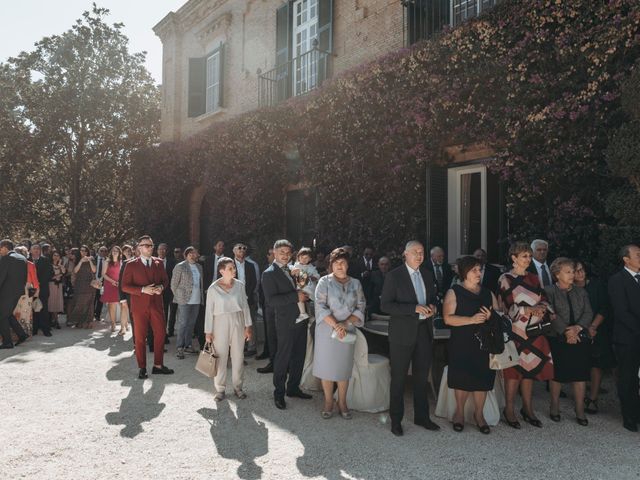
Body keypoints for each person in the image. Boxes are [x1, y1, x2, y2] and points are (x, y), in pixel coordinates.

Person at [381, 240, 440, 436]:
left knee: (421, 377)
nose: (419, 255)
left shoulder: (427, 274)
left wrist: (433, 307)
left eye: (422, 252)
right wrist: (413, 308)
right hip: (401, 334)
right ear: (405, 254)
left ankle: (422, 417)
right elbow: (386, 306)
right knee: (398, 378)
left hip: (424, 331)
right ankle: (396, 420)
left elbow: (433, 299)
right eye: (415, 252)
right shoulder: (394, 276)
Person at [498, 241, 554, 429]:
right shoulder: (505, 278)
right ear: (514, 258)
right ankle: (509, 410)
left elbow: (544, 299)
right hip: (515, 331)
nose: (528, 259)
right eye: (524, 256)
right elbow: (506, 307)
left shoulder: (534, 278)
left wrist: (543, 309)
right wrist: (529, 310)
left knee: (530, 370)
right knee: (513, 372)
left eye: (529, 256)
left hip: (534, 331)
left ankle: (528, 409)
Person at [443, 256, 500, 434]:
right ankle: (459, 413)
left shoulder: (487, 293)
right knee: (461, 377)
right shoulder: (454, 292)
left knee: (482, 379)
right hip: (462, 341)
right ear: (464, 273)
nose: (479, 273)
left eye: (480, 270)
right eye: (474, 270)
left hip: (484, 344)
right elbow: (447, 318)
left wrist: (492, 317)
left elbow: (499, 315)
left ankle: (479, 415)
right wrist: (471, 319)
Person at [313, 248, 365, 419]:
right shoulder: (324, 282)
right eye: (336, 263)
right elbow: (320, 306)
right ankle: (328, 401)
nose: (340, 266)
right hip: (327, 330)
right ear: (331, 265)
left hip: (347, 330)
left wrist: (345, 323)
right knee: (327, 367)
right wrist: (336, 325)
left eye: (343, 262)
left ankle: (342, 401)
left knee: (343, 368)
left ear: (348, 264)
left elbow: (361, 306)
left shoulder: (356, 283)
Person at [262, 239, 312, 410]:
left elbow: (303, 287)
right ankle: (279, 393)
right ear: (274, 253)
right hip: (285, 321)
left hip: (302, 318)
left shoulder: (294, 269)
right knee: (283, 358)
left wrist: (302, 281)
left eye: (288, 253)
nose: (285, 255)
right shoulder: (268, 273)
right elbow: (271, 300)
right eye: (281, 252)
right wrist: (295, 297)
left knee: (299, 356)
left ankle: (293, 388)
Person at [544, 257, 593, 426]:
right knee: (557, 374)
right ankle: (554, 406)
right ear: (557, 274)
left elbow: (588, 313)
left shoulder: (582, 291)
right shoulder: (549, 291)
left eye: (573, 271)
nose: (572, 275)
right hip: (558, 338)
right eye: (568, 272)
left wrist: (577, 329)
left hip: (579, 337)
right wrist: (566, 331)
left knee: (580, 375)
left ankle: (579, 409)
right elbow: (551, 315)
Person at [121, 235, 173, 379]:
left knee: (161, 334)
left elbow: (165, 280)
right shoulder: (131, 265)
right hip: (139, 307)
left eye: (151, 245)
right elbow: (124, 286)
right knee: (140, 338)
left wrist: (161, 287)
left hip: (157, 304)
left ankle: (158, 365)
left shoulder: (159, 262)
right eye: (146, 245)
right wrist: (142, 290)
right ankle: (142, 367)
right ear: (139, 247)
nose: (149, 248)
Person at [204, 257, 253, 401]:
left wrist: (248, 326)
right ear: (222, 271)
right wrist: (208, 331)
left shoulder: (240, 285)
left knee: (238, 356)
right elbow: (209, 311)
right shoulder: (213, 288)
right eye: (230, 268)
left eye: (234, 268)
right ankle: (220, 389)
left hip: (238, 320)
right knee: (221, 356)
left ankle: (238, 387)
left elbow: (245, 306)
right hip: (219, 322)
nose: (234, 270)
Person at [573, 260, 615, 415]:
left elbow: (605, 307)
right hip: (577, 331)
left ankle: (593, 398)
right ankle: (580, 395)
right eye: (576, 270)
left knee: (596, 364)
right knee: (580, 364)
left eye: (582, 269)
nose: (580, 273)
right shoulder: (569, 289)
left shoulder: (596, 285)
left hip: (597, 330)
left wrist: (593, 327)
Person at [608, 244, 640, 432]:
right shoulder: (617, 280)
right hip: (628, 337)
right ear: (626, 259)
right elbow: (621, 312)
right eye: (637, 254)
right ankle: (629, 416)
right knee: (628, 378)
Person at [171, 246, 204, 359]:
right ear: (188, 254)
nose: (195, 255)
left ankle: (188, 345)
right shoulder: (180, 266)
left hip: (196, 299)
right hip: (184, 300)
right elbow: (173, 285)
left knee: (191, 323)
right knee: (183, 323)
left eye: (196, 253)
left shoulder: (199, 267)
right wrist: (179, 298)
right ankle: (180, 347)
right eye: (193, 253)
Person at [0, 239, 29, 348]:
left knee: (2, 316)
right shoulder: (23, 258)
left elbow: (1, 277)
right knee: (7, 314)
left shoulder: (6, 258)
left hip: (6, 293)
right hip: (18, 292)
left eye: (0, 248)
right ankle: (22, 334)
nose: (0, 251)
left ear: (5, 247)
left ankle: (7, 342)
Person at [233, 243, 258, 357]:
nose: (242, 250)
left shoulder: (250, 265)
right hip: (233, 299)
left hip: (248, 298)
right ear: (234, 251)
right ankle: (239, 346)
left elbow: (253, 282)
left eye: (244, 248)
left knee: (250, 321)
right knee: (236, 323)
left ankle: (251, 347)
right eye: (239, 248)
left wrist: (247, 295)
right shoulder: (229, 264)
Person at [68, 246, 97, 329]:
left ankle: (88, 321)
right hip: (79, 284)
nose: (83, 252)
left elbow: (94, 270)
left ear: (87, 252)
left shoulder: (91, 259)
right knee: (79, 303)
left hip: (89, 284)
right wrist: (81, 261)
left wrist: (90, 261)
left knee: (89, 303)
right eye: (81, 250)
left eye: (85, 251)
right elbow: (75, 271)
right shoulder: (77, 260)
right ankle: (79, 321)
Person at [291, 247, 320, 322]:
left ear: (310, 259)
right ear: (298, 258)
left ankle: (307, 315)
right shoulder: (296, 265)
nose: (303, 259)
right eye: (301, 257)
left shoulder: (311, 267)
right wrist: (295, 272)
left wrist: (308, 277)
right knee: (300, 298)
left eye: (306, 258)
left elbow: (317, 276)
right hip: (300, 287)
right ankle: (304, 314)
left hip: (309, 288)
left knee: (306, 301)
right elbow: (292, 272)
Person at [30, 243, 53, 337]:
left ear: (40, 251)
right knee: (32, 309)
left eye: (38, 249)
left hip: (42, 288)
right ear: (30, 250)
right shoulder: (26, 260)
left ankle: (46, 330)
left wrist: (38, 283)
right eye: (34, 248)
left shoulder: (46, 260)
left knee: (43, 309)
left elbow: (49, 274)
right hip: (30, 289)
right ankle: (34, 329)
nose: (36, 250)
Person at [101, 246, 124, 334]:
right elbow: (103, 274)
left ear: (119, 253)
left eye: (117, 251)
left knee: (122, 305)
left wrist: (119, 282)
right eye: (113, 251)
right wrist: (112, 281)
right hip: (109, 284)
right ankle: (113, 324)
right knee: (111, 305)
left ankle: (123, 324)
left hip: (119, 285)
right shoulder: (107, 261)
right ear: (111, 252)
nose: (115, 252)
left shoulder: (121, 262)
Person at [118, 245, 134, 338]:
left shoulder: (138, 260)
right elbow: (121, 281)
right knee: (128, 312)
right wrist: (122, 298)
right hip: (127, 293)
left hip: (139, 293)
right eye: (126, 251)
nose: (128, 252)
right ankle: (124, 328)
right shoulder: (124, 263)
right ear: (123, 253)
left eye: (129, 250)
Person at [167, 247, 184, 337]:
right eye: (175, 252)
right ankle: (170, 331)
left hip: (183, 291)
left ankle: (183, 331)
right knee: (172, 312)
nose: (177, 253)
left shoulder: (185, 262)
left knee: (183, 313)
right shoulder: (171, 262)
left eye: (178, 252)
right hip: (173, 291)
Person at [48, 250, 66, 330]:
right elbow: (48, 276)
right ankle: (54, 321)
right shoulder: (49, 265)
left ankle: (54, 320)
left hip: (59, 286)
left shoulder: (60, 265)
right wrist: (57, 276)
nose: (56, 257)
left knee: (57, 302)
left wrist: (60, 264)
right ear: (52, 256)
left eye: (58, 255)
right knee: (52, 302)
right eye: (54, 255)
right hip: (51, 285)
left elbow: (64, 272)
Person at [94, 245, 108, 322]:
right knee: (93, 299)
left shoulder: (108, 260)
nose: (103, 252)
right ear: (98, 251)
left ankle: (97, 315)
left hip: (103, 282)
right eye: (101, 250)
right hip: (93, 281)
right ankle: (91, 314)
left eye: (105, 251)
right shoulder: (93, 259)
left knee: (100, 299)